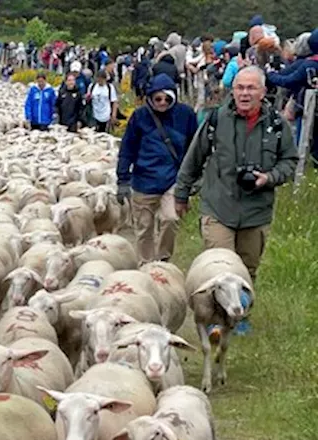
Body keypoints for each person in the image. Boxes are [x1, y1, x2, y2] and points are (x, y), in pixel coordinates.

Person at [174, 66, 299, 333]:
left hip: (256, 210)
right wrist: (181, 193)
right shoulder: (217, 119)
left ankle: (238, 318)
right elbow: (194, 157)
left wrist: (270, 177)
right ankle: (213, 320)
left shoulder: (277, 125)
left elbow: (290, 161)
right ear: (233, 90)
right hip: (219, 205)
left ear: (263, 91)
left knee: (247, 269)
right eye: (240, 87)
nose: (244, 93)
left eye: (251, 88)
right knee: (219, 266)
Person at [116, 75, 199, 263]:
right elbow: (127, 148)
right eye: (158, 98)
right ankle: (146, 263)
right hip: (144, 180)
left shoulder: (185, 115)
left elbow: (195, 148)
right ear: (150, 98)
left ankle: (162, 259)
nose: (162, 102)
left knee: (171, 219)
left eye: (167, 98)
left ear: (174, 97)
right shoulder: (140, 117)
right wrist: (122, 179)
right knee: (144, 227)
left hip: (173, 179)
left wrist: (194, 177)